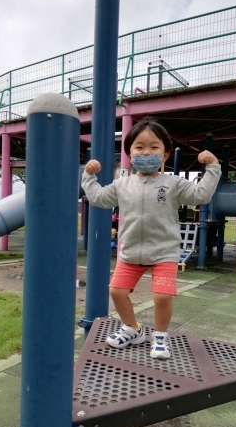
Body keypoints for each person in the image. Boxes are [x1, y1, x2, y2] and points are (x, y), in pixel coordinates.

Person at [82, 117, 221, 360]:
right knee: (116, 291)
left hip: (164, 252)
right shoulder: (122, 184)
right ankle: (132, 329)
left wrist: (213, 167)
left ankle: (160, 337)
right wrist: (88, 176)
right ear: (130, 154)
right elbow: (98, 198)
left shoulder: (173, 183)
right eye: (139, 147)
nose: (147, 152)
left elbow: (201, 194)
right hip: (131, 253)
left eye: (154, 147)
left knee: (162, 296)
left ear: (165, 154)